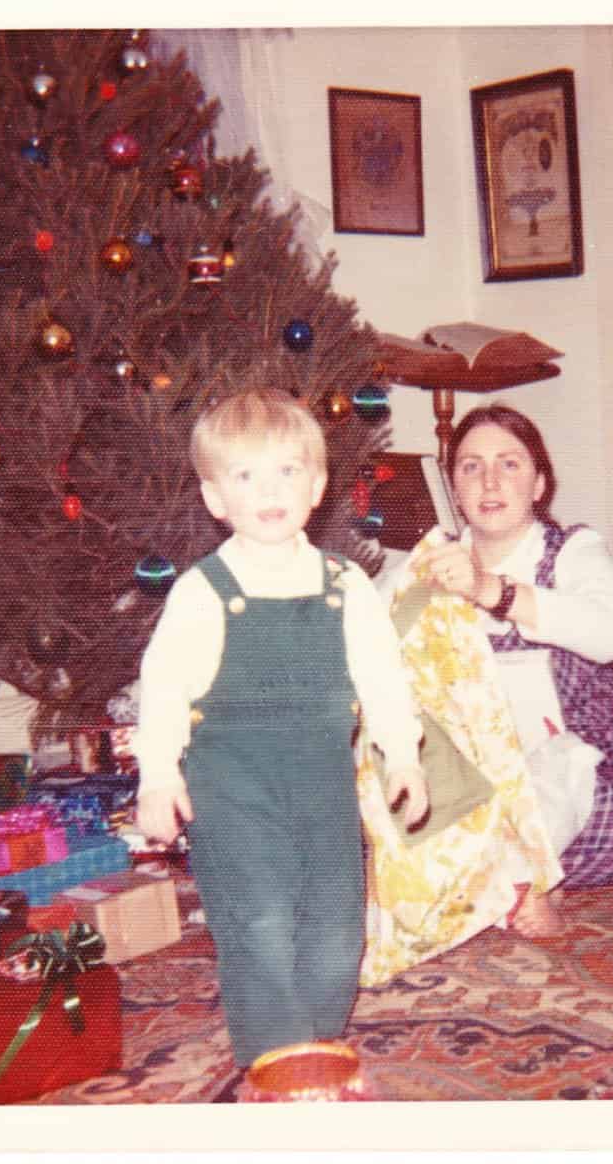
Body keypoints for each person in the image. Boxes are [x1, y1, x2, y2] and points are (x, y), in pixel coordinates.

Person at [131, 388, 427, 1069]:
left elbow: (384, 677)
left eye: (287, 471)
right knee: (258, 918)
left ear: (318, 486)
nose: (269, 491)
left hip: (323, 781)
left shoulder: (345, 585)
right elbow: (165, 688)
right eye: (245, 475)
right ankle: (279, 1061)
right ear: (215, 498)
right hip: (230, 784)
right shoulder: (203, 591)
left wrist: (402, 756)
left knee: (336, 929)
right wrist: (158, 775)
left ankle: (314, 1037)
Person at [368, 405, 613, 951]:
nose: (491, 481)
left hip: (562, 757)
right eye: (472, 467)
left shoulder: (572, 550)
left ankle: (522, 877)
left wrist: (494, 592)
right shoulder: (431, 561)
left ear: (540, 484)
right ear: (454, 490)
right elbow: (366, 640)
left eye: (509, 464)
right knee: (408, 806)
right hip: (468, 767)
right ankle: (506, 879)